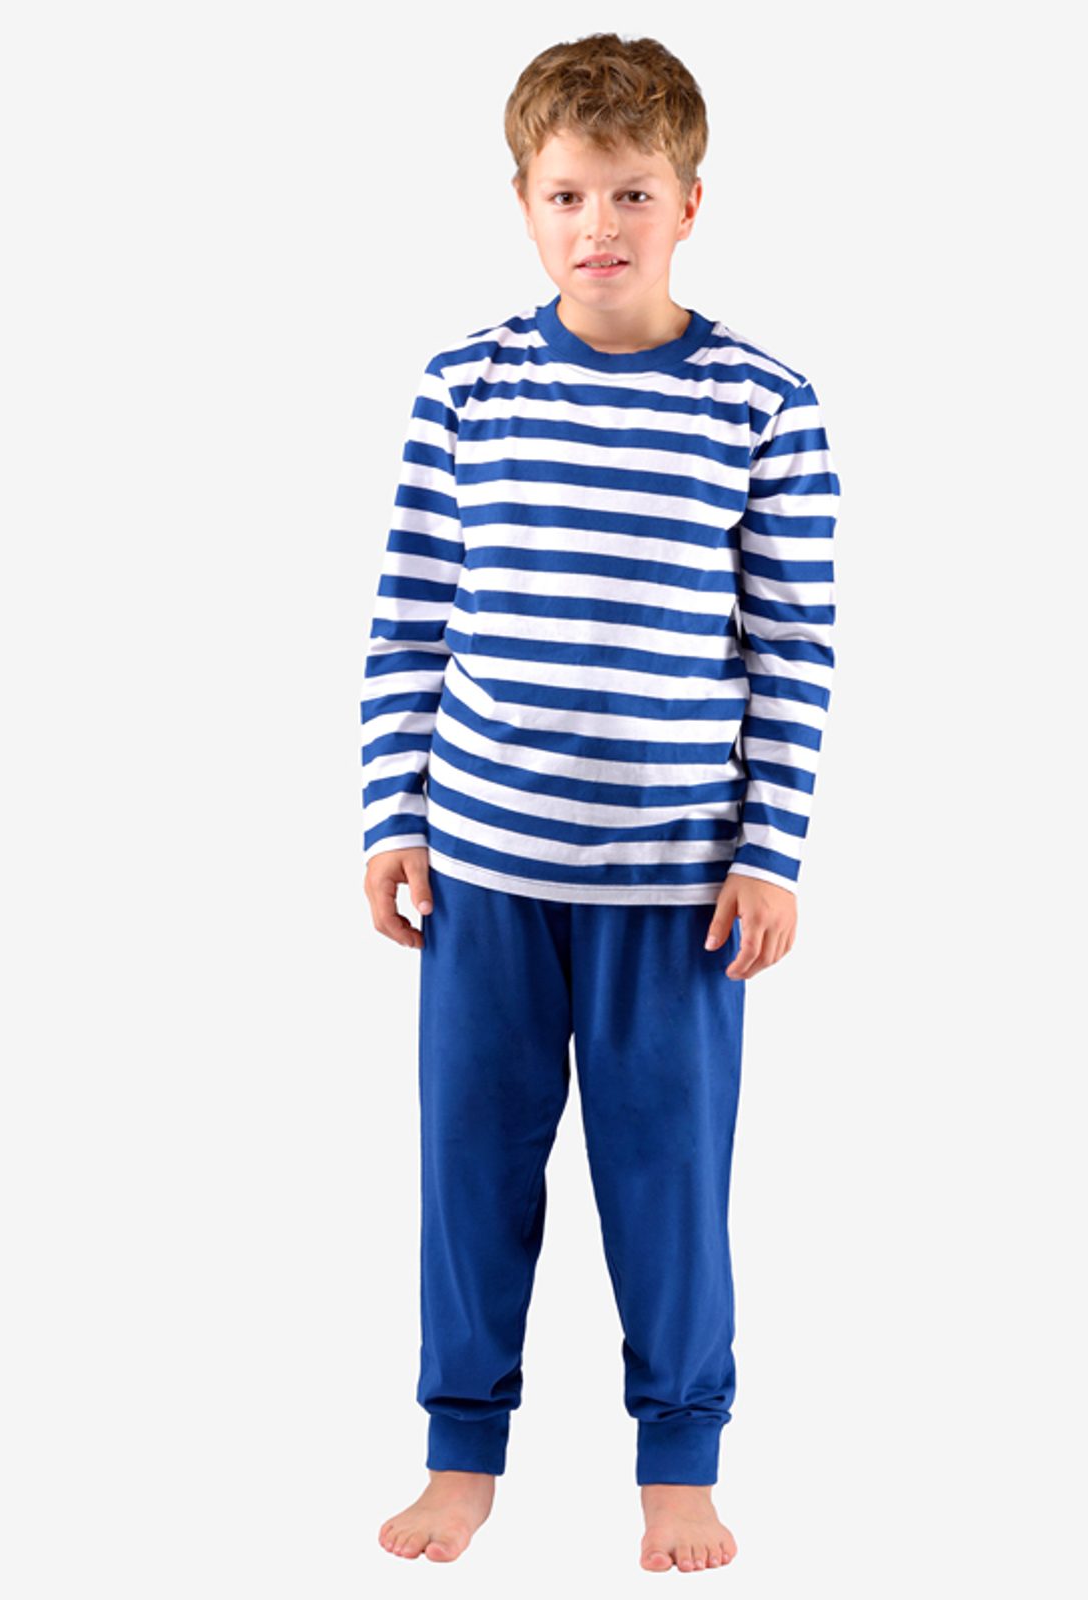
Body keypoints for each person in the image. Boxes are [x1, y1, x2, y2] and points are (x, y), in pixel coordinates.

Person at [360, 31, 841, 1575]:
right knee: (471, 1172)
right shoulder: (465, 387)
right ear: (524, 204)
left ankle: (679, 1465)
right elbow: (410, 618)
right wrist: (392, 817)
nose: (599, 225)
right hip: (486, 870)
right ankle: (461, 1452)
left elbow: (795, 644)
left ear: (690, 202)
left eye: (632, 192)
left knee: (668, 1183)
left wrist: (770, 852)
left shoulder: (763, 402)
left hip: (675, 886)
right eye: (567, 194)